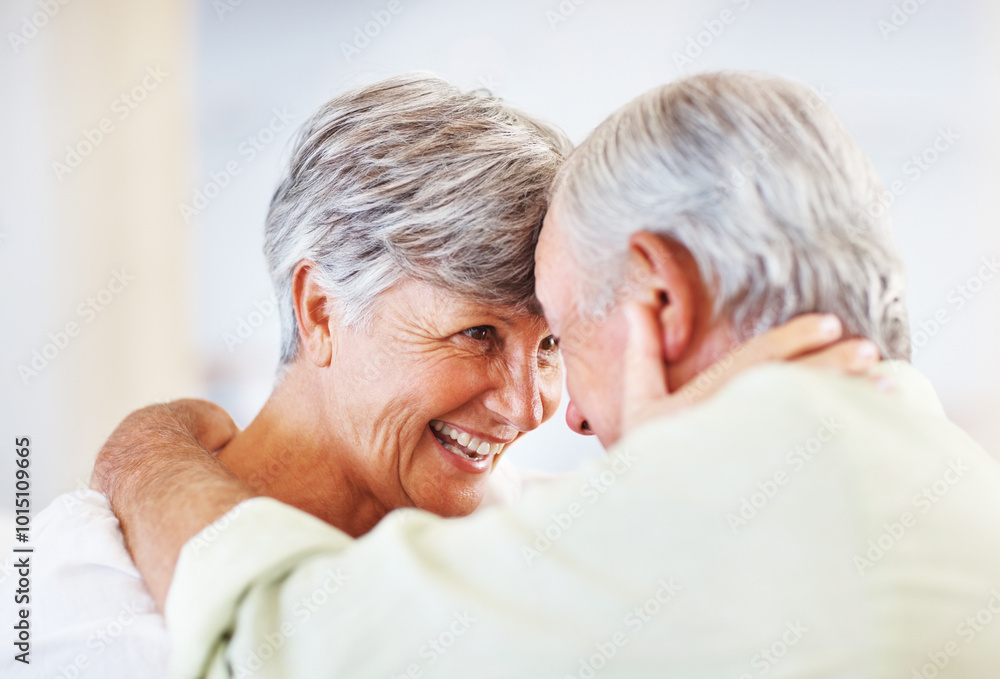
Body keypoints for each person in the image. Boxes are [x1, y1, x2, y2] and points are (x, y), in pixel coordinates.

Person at [92, 71, 1000, 677]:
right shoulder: (944, 476)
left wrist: (145, 447)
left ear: (662, 305)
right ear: (321, 310)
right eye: (479, 331)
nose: (544, 414)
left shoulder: (709, 514)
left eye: (559, 338)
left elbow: (261, 647)